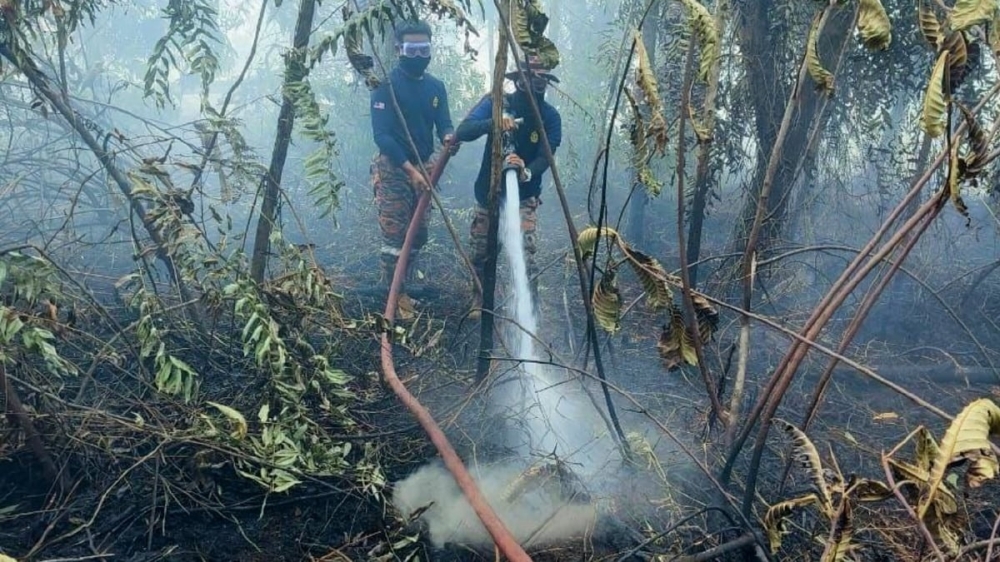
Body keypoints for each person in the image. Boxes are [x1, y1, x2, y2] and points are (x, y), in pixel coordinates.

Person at [454, 55, 562, 313]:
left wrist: (525, 170)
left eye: (542, 81)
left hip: (524, 197)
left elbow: (546, 155)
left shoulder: (550, 117)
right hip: (489, 194)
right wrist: (494, 123)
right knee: (481, 252)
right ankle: (479, 302)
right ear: (518, 81)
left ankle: (530, 310)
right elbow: (463, 131)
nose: (537, 86)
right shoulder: (497, 103)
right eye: (530, 80)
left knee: (525, 256)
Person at [370, 19, 457, 318]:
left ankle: (404, 286)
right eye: (412, 49)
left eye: (425, 50)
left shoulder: (436, 87)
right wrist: (410, 170)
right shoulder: (386, 87)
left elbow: (444, 122)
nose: (419, 56)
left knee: (418, 233)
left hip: (425, 167)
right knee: (395, 234)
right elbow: (381, 136)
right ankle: (394, 297)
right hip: (394, 168)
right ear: (399, 49)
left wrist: (448, 136)